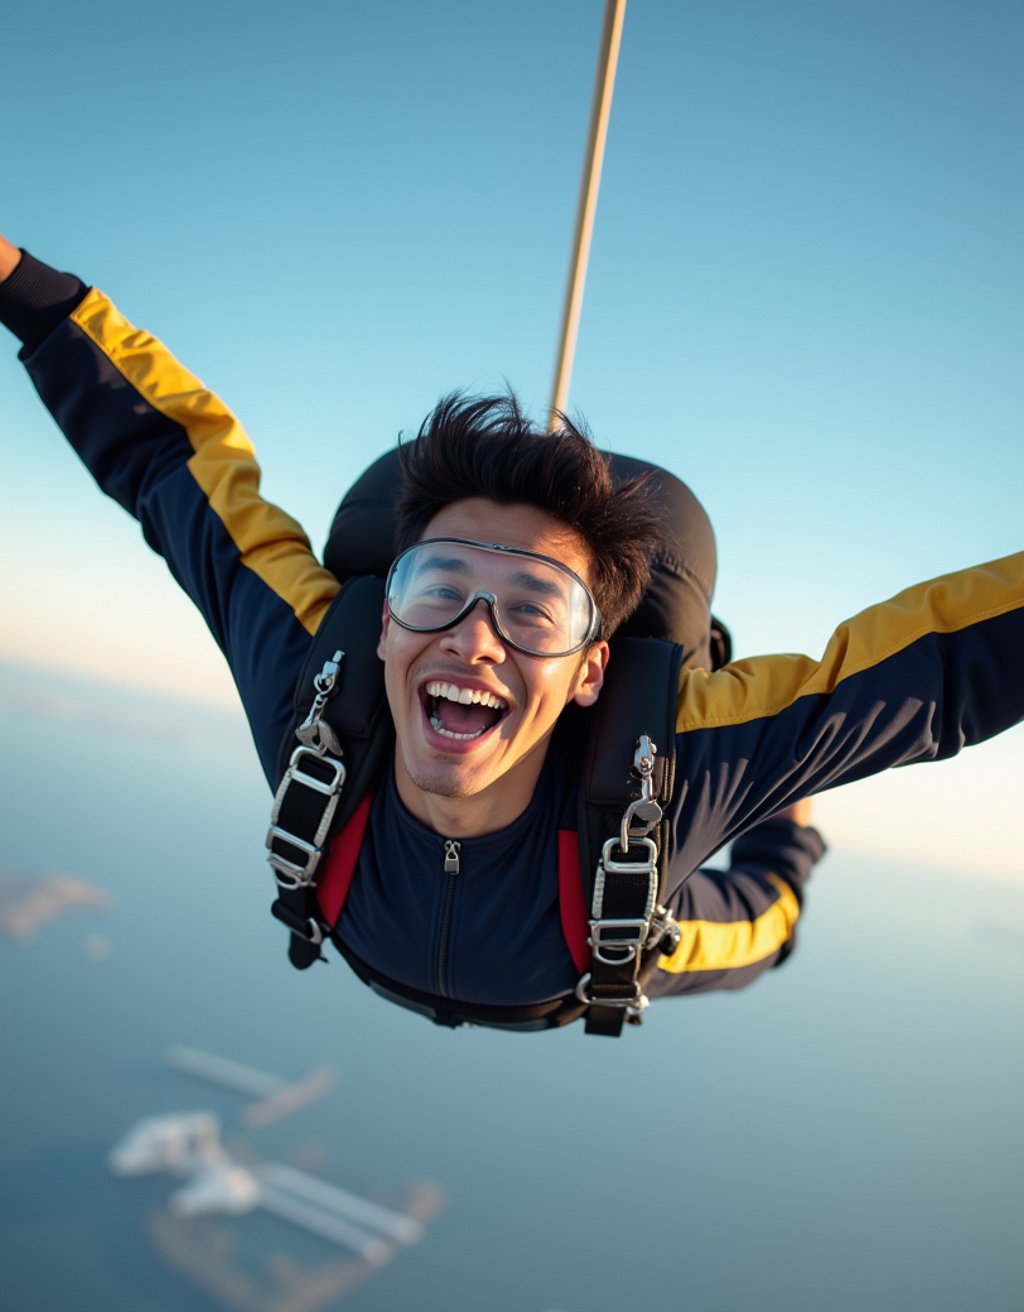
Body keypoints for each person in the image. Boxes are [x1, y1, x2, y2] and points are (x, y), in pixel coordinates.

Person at [3, 239, 1021, 1034]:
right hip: (415, 922)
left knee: (769, 913)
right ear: (386, 622)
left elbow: (941, 670)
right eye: (439, 585)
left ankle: (783, 802)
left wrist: (773, 803)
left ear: (590, 672)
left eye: (532, 608)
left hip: (617, 936)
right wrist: (21, 285)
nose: (474, 638)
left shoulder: (671, 759)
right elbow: (169, 464)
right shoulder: (317, 683)